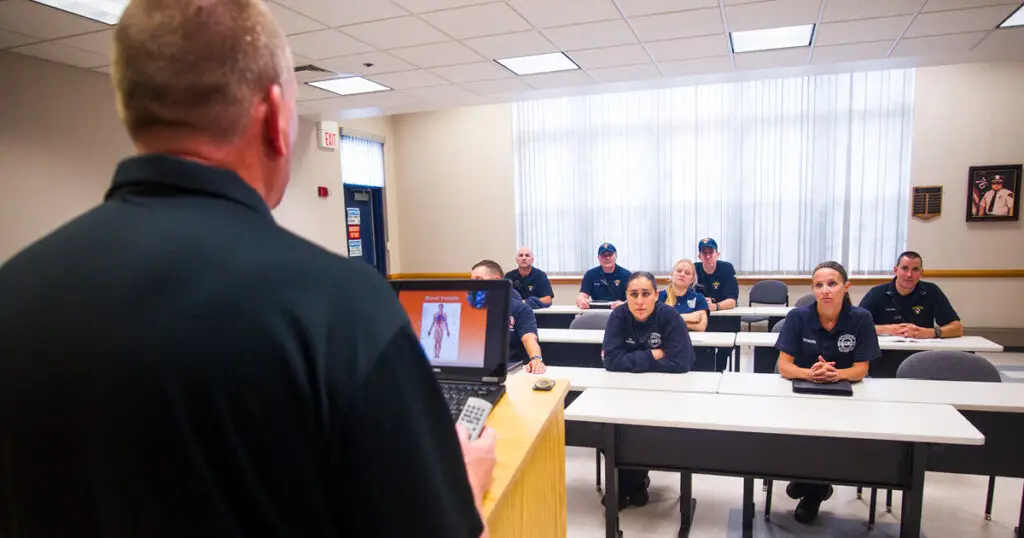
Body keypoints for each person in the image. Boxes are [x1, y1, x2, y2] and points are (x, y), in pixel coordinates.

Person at [0, 2, 494, 537]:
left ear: (130, 109)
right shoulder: (343, 308)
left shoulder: (13, 292)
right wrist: (463, 486)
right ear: (275, 118)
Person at [776, 261, 880, 524]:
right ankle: (811, 483)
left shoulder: (861, 318)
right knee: (801, 434)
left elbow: (861, 369)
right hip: (802, 392)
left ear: (846, 287)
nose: (826, 290)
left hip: (846, 395)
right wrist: (812, 374)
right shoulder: (798, 317)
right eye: (819, 285)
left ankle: (813, 490)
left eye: (832, 284)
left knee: (829, 437)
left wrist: (837, 374)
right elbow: (784, 365)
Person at [602, 272, 695, 507]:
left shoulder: (669, 316)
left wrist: (632, 359)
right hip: (624, 391)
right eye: (633, 295)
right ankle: (633, 485)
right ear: (626, 297)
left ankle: (627, 486)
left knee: (644, 432)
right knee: (615, 430)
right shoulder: (618, 316)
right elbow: (611, 361)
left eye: (646, 294)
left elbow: (681, 363)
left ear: (656, 295)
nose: (639, 301)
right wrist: (654, 354)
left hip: (665, 392)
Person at [858, 251, 963, 378]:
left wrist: (930, 332)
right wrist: (887, 329)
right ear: (896, 270)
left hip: (922, 361)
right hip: (884, 360)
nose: (909, 274)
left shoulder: (932, 292)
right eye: (904, 268)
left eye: (915, 269)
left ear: (921, 273)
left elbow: (957, 327)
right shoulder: (877, 293)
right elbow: (856, 326)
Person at [471, 260, 546, 374]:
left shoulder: (520, 309)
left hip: (510, 369)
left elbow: (529, 338)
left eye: (478, 280)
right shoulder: (470, 309)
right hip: (477, 368)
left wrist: (536, 359)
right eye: (472, 281)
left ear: (496, 281)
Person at [694, 238, 739, 371]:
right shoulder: (693, 270)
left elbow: (732, 301)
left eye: (711, 253)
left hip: (725, 317)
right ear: (699, 256)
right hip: (703, 317)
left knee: (723, 349)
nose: (708, 256)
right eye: (704, 253)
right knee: (700, 347)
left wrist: (716, 306)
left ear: (717, 254)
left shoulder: (726, 268)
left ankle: (719, 371)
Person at [658, 259, 709, 332]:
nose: (682, 274)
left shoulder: (699, 298)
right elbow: (658, 323)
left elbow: (701, 327)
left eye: (687, 273)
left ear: (692, 280)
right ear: (672, 274)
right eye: (679, 271)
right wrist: (686, 317)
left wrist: (672, 320)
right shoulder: (660, 296)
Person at [577, 243, 630, 309]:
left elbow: (633, 297)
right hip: (596, 311)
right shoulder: (590, 274)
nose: (607, 258)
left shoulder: (626, 275)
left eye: (610, 255)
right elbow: (582, 295)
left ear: (616, 256)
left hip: (619, 310)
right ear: (598, 258)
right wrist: (581, 301)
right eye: (603, 255)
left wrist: (624, 304)